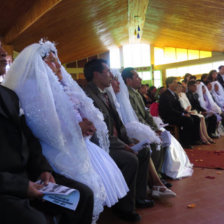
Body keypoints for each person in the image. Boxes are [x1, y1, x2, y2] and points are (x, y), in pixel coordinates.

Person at [3, 41, 129, 223]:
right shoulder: (30, 89)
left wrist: (84, 124)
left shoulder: (54, 86)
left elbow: (73, 112)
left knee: (87, 188)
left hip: (53, 153)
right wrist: (76, 129)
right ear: (39, 64)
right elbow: (43, 130)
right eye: (52, 61)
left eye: (57, 61)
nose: (58, 65)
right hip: (50, 149)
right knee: (82, 191)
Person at [0, 42, 94, 224]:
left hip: (28, 176)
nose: (4, 54)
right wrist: (20, 186)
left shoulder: (9, 95)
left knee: (82, 196)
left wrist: (43, 169)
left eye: (3, 51)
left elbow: (28, 139)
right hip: (6, 187)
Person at [84, 59, 152, 222]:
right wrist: (124, 146)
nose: (111, 76)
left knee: (143, 151)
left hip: (115, 140)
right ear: (96, 74)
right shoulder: (88, 95)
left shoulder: (105, 93)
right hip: (101, 145)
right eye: (107, 72)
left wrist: (129, 141)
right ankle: (123, 207)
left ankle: (138, 197)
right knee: (130, 160)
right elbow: (100, 131)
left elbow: (117, 123)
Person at [110, 69, 192, 181]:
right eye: (137, 77)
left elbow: (146, 114)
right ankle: (153, 178)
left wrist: (154, 127)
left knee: (164, 137)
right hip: (134, 127)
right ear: (128, 80)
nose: (140, 79)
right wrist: (150, 130)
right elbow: (136, 116)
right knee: (155, 142)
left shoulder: (136, 93)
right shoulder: (127, 94)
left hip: (142, 125)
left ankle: (160, 172)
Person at [159, 77, 201, 149]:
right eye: (175, 82)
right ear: (169, 84)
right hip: (169, 117)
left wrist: (186, 112)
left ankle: (194, 139)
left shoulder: (174, 94)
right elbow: (170, 109)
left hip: (176, 114)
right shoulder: (165, 95)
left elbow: (179, 107)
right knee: (188, 120)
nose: (177, 84)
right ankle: (185, 142)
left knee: (196, 118)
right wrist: (182, 114)